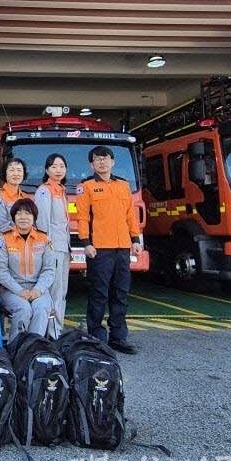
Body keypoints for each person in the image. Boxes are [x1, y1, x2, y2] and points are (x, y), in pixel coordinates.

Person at [76, 146, 143, 355]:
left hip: (123, 247)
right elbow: (82, 217)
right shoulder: (86, 187)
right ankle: (96, 336)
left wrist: (135, 239)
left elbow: (130, 216)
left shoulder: (123, 186)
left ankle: (118, 336)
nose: (102, 162)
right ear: (91, 164)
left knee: (120, 293)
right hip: (99, 249)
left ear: (113, 162)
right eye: (97, 159)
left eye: (105, 158)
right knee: (99, 293)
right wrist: (86, 243)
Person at [0, 198, 54, 342]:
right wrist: (19, 291)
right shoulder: (4, 239)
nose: (23, 217)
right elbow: (1, 270)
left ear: (34, 217)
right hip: (11, 290)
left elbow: (49, 269)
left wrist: (38, 290)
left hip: (38, 289)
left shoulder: (44, 238)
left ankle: (34, 347)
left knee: (41, 308)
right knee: (24, 308)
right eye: (19, 214)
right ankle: (16, 346)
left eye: (27, 213)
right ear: (13, 217)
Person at [34, 153, 71, 334]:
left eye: (62, 166)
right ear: (47, 170)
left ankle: (57, 329)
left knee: (61, 291)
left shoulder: (61, 190)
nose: (58, 170)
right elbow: (42, 224)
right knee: (53, 291)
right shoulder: (45, 191)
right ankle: (51, 332)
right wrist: (46, 249)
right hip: (53, 248)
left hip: (64, 248)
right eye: (54, 166)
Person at [0, 157, 30, 236]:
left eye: (19, 170)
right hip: (5, 240)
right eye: (12, 170)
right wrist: (20, 236)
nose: (16, 174)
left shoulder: (24, 197)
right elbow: (1, 224)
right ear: (5, 173)